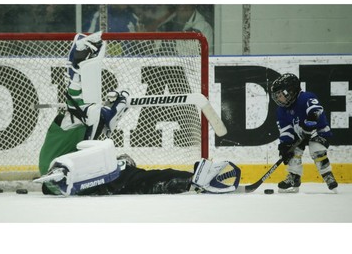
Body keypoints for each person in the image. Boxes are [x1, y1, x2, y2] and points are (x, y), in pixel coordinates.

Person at [35, 31, 240, 196]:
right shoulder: (74, 117)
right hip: (67, 174)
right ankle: (195, 179)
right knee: (141, 179)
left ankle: (191, 179)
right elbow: (77, 98)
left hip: (62, 179)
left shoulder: (89, 124)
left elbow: (104, 116)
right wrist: (78, 64)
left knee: (133, 176)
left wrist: (119, 105)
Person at [270, 73, 338, 193]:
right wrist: (285, 146)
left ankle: (327, 174)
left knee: (316, 148)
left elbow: (315, 110)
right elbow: (286, 130)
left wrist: (310, 121)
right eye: (277, 96)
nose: (279, 99)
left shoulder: (306, 97)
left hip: (319, 132)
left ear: (291, 91)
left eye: (281, 95)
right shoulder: (281, 110)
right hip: (300, 135)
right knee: (292, 151)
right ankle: (294, 177)